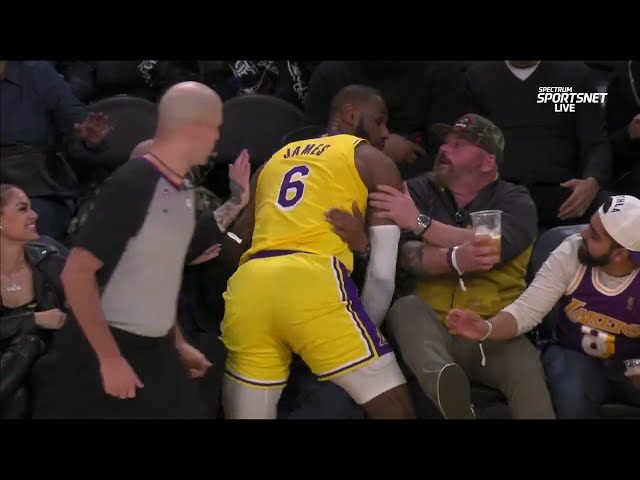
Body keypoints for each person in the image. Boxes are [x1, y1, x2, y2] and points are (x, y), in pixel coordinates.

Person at [34, 81, 249, 419]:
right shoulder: (134, 187)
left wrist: (177, 342)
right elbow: (76, 275)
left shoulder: (174, 195)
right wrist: (110, 358)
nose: (215, 139)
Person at [220, 84, 415, 419]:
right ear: (350, 115)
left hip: (249, 287)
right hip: (312, 283)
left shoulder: (273, 161)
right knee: (395, 408)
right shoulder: (371, 159)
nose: (385, 132)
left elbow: (233, 246)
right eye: (379, 121)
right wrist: (366, 329)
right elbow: (383, 275)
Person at [367, 114, 555, 419]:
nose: (444, 148)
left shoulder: (515, 200)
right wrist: (454, 258)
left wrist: (419, 223)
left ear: (487, 163)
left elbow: (490, 248)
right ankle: (451, 397)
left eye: (458, 145)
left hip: (491, 329)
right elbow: (404, 254)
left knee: (526, 371)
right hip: (431, 329)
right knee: (406, 308)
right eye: (446, 142)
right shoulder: (417, 190)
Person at [447, 195, 640, 418]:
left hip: (630, 360)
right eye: (590, 226)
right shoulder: (571, 251)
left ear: (620, 254)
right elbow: (527, 310)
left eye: (595, 236)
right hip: (573, 353)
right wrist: (486, 328)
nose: (583, 234)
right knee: (572, 399)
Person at [0, 184, 67, 418]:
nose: (35, 215)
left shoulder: (50, 256)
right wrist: (34, 319)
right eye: (22, 209)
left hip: (47, 373)